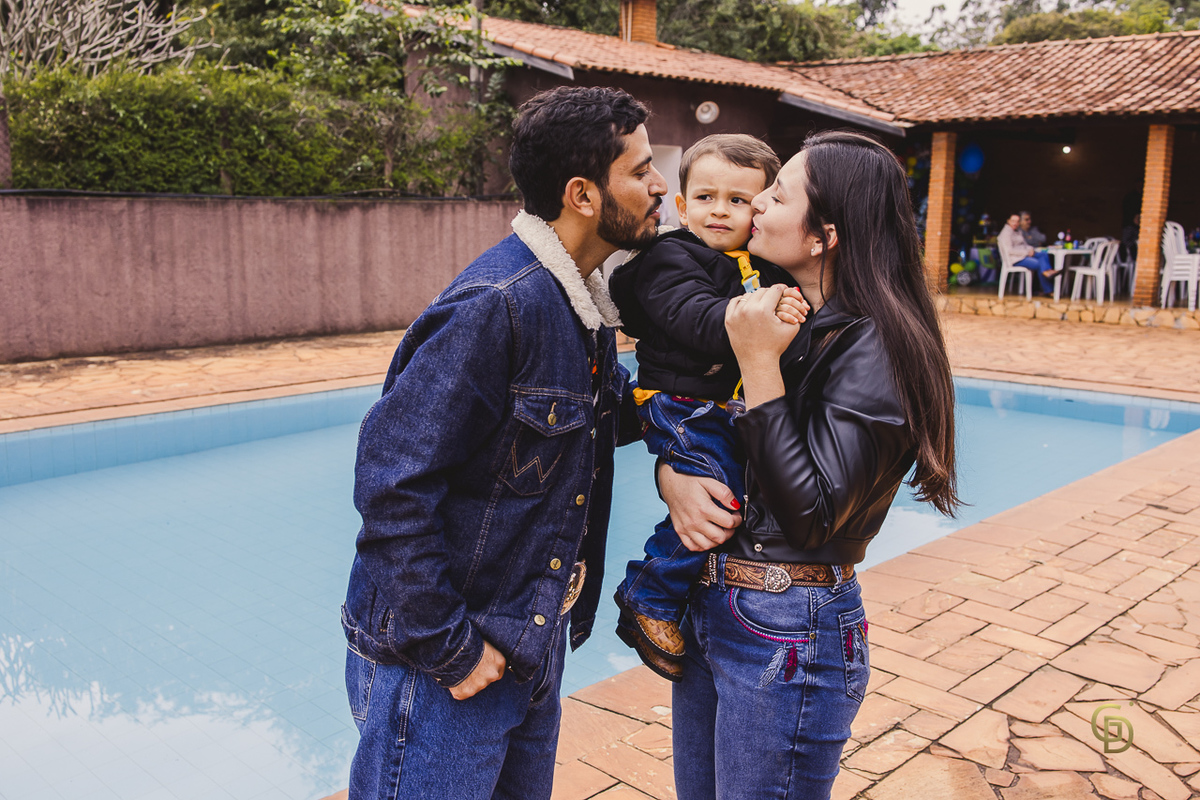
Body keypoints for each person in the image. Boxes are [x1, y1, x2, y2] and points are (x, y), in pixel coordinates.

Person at [340, 86, 666, 800]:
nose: (660, 186)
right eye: (641, 170)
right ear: (582, 195)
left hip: (527, 637)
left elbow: (606, 416)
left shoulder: (579, 304)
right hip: (446, 665)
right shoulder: (496, 306)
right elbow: (390, 484)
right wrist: (451, 649)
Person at [658, 130, 960, 799]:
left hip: (788, 628)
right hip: (716, 605)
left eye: (777, 193)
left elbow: (810, 513)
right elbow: (724, 439)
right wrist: (671, 473)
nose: (757, 203)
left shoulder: (878, 347)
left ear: (825, 236)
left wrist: (757, 360)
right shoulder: (795, 320)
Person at [607, 134, 808, 681]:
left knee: (741, 483)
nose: (720, 210)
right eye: (705, 197)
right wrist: (765, 312)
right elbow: (697, 320)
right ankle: (649, 593)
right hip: (679, 402)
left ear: (760, 209)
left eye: (738, 200)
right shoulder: (670, 257)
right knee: (719, 492)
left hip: (720, 403)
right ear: (681, 204)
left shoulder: (759, 264)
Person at [999, 212, 1056, 295]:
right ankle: (1048, 289)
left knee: (1043, 254)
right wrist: (1026, 252)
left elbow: (1025, 244)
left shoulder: (1017, 231)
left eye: (1017, 221)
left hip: (1024, 255)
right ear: (1008, 221)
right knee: (1039, 263)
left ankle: (1047, 272)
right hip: (1016, 259)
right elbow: (1010, 250)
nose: (1015, 223)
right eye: (1013, 221)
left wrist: (1031, 249)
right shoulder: (1006, 233)